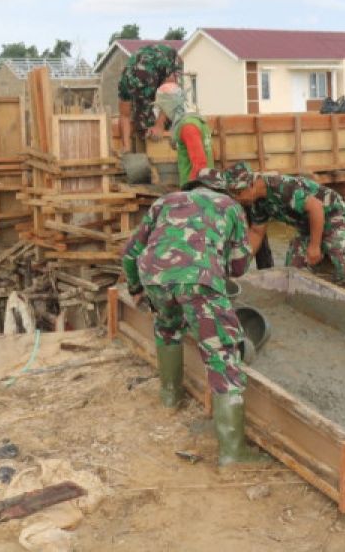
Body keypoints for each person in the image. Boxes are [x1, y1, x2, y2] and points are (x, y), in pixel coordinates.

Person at [121, 168, 261, 467]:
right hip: (199, 281)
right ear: (221, 189)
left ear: (192, 186)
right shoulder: (230, 207)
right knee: (222, 356)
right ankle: (233, 455)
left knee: (168, 327)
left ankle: (171, 399)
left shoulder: (165, 201)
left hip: (155, 278)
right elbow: (239, 266)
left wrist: (135, 288)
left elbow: (130, 253)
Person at [223, 162, 345, 292]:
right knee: (294, 270)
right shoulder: (256, 203)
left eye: (238, 192)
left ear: (252, 185)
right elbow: (256, 232)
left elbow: (316, 207)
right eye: (233, 193)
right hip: (308, 225)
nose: (237, 198)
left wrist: (314, 246)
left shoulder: (280, 186)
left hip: (333, 215)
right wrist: (242, 264)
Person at [118, 43, 184, 153]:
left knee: (174, 108)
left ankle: (170, 146)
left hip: (168, 61)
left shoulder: (164, 69)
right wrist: (126, 146)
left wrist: (159, 125)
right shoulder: (125, 83)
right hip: (146, 66)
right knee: (142, 121)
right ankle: (148, 139)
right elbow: (125, 115)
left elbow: (170, 97)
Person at [154, 82, 213, 185]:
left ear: (169, 105)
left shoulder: (188, 126)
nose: (162, 112)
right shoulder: (197, 120)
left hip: (196, 190)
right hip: (205, 186)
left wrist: (193, 191)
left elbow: (200, 164)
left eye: (162, 107)